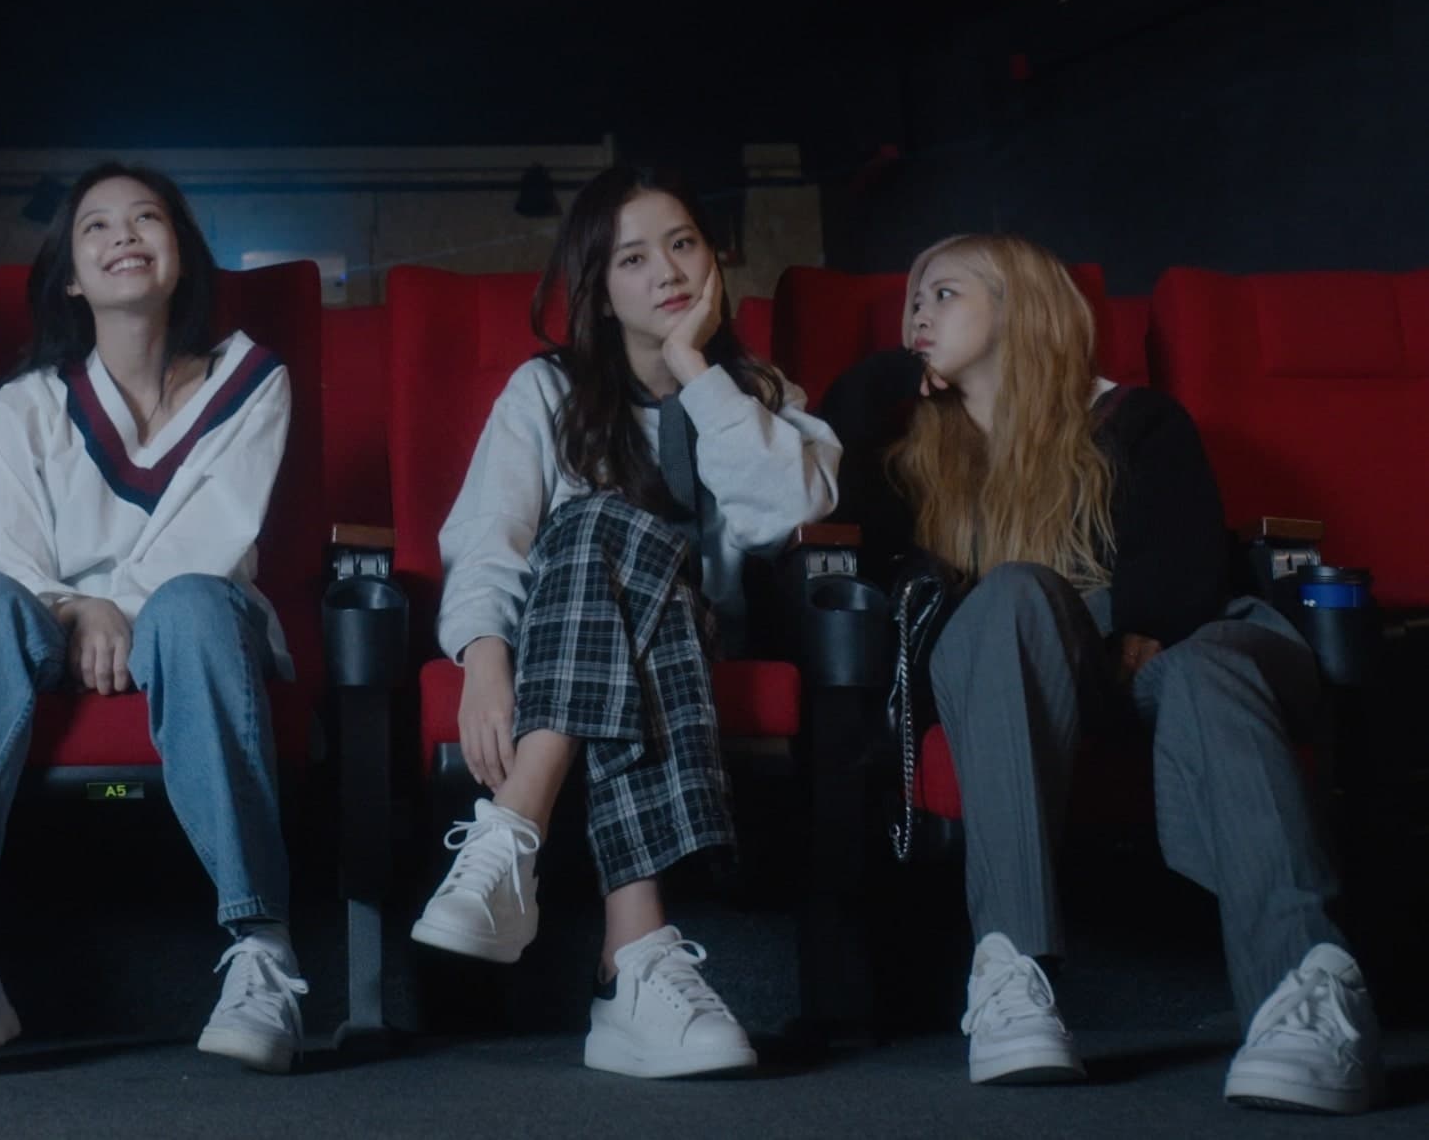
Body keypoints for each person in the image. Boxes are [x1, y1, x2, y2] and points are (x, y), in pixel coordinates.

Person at [821, 232, 1384, 1114]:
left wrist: (1140, 631)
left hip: (1183, 645)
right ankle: (1011, 975)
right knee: (1010, 593)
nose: (918, 314)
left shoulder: (1137, 420)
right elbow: (841, 444)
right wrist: (900, 372)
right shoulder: (915, 456)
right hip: (1028, 665)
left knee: (1207, 669)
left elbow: (1185, 571)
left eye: (944, 294)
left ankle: (1306, 995)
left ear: (1018, 306)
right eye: (912, 302)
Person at [411, 164, 842, 1077]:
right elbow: (489, 536)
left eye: (682, 245)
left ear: (713, 260)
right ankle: (633, 963)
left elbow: (786, 513)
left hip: (705, 630)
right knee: (593, 526)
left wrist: (695, 368)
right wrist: (484, 657)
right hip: (591, 647)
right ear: (600, 291)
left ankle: (511, 833)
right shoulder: (545, 391)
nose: (667, 272)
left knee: (604, 524)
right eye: (634, 259)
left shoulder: (757, 393)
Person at [0, 163, 305, 1075]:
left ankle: (262, 951)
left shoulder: (252, 381)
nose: (123, 235)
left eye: (147, 218)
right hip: (49, 624)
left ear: (180, 253)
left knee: (190, 606)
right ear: (73, 278)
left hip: (196, 624)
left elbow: (216, 533)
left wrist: (120, 607)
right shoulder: (28, 403)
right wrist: (77, 607)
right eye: (96, 226)